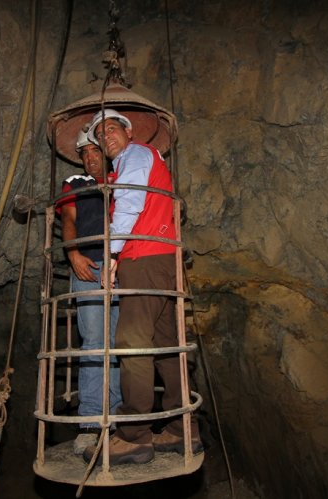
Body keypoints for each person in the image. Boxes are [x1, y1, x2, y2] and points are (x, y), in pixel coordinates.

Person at [82, 109, 202, 465]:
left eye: (112, 129)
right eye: (100, 133)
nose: (106, 136)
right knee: (166, 344)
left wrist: (113, 254)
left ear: (129, 132)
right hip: (164, 259)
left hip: (143, 257)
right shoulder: (143, 160)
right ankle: (183, 428)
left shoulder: (135, 155)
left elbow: (130, 201)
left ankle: (133, 435)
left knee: (132, 343)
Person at [58, 129, 122, 454]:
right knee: (96, 341)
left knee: (118, 344)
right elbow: (68, 218)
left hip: (121, 267)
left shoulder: (122, 177)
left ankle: (117, 420)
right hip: (89, 264)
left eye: (94, 151)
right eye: (84, 153)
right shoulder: (75, 184)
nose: (89, 157)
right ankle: (91, 423)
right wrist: (72, 253)